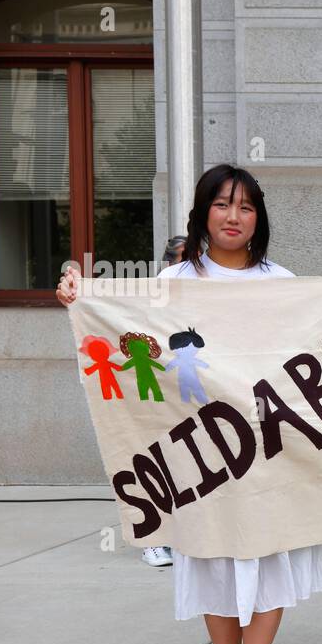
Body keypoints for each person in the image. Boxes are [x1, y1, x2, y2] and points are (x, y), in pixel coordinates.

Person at [56, 163, 322, 644]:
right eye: (222, 204)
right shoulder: (175, 284)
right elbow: (120, 320)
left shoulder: (282, 281)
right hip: (197, 446)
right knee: (208, 550)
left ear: (258, 217)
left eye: (246, 207)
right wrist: (81, 294)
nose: (234, 216)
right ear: (202, 212)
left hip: (269, 447)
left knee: (270, 548)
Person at [140, 235, 190, 569]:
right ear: (170, 262)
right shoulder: (159, 291)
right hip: (157, 389)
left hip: (188, 391)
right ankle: (152, 540)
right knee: (154, 460)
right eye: (184, 258)